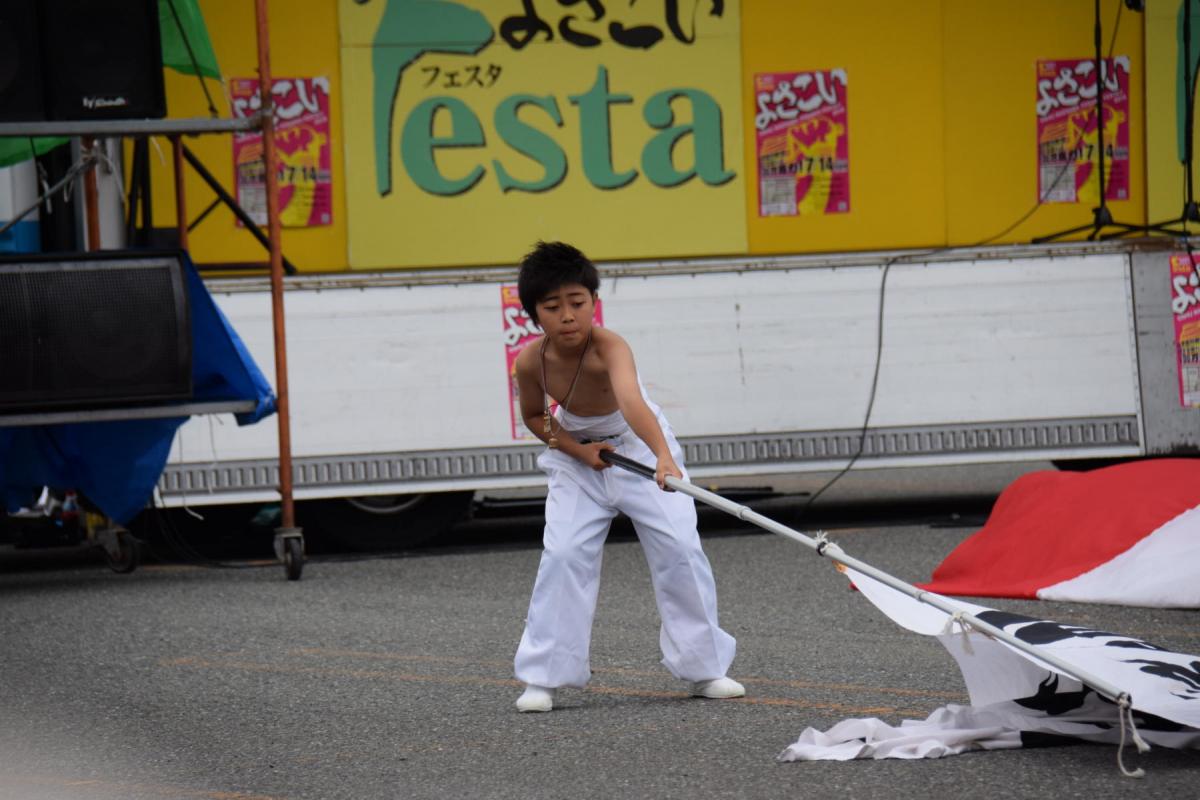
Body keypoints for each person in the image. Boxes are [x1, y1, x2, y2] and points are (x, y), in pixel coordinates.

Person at [511, 241, 742, 712]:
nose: (568, 316)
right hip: (578, 455)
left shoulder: (611, 346)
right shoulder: (530, 362)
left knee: (679, 547)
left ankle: (704, 670)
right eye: (553, 307)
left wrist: (662, 456)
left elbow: (633, 403)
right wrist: (580, 450)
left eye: (577, 303)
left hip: (636, 443)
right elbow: (537, 418)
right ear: (535, 315)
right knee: (565, 553)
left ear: (594, 302)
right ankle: (543, 678)